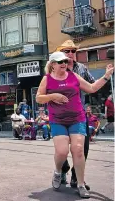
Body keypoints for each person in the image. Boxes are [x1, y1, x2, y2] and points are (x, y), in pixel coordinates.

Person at [36, 51, 113, 198]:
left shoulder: (73, 76)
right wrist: (53, 96)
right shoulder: (47, 79)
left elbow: (91, 88)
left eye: (65, 61)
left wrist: (106, 76)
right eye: (60, 62)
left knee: (78, 150)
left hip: (77, 118)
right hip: (58, 120)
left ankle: (80, 184)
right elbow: (39, 98)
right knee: (62, 151)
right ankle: (58, 172)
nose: (64, 63)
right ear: (52, 65)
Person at [56, 40, 96, 189]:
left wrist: (106, 76)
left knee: (82, 148)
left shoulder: (82, 68)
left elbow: (92, 85)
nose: (71, 54)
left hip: (79, 114)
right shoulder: (57, 69)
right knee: (62, 148)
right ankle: (63, 168)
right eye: (67, 51)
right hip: (61, 115)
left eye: (73, 51)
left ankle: (76, 177)